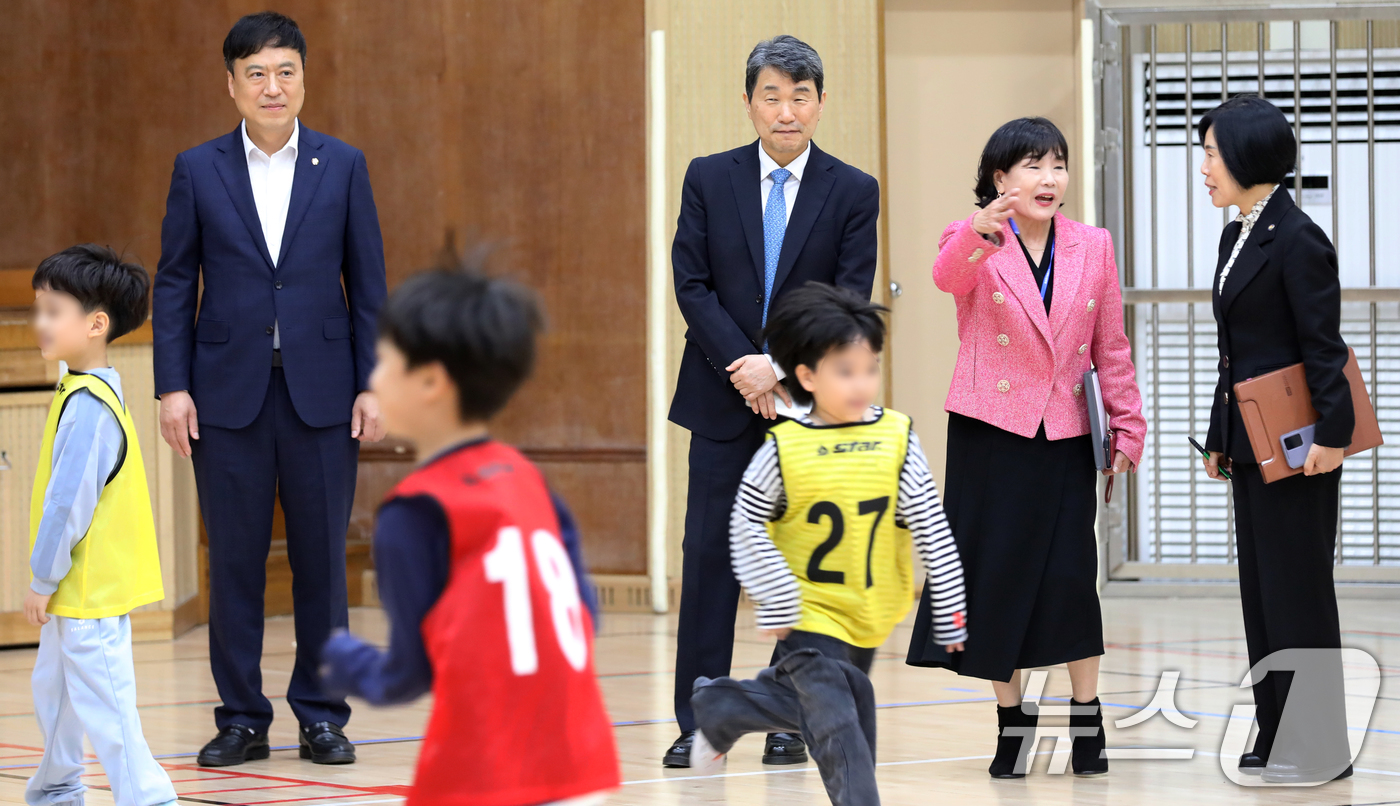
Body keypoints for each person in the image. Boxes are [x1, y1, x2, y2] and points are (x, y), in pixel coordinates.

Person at [152, 11, 388, 767]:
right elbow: (172, 284)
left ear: (303, 79)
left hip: (323, 395)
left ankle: (321, 715)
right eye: (255, 72)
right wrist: (172, 387)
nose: (272, 85)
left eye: (285, 70)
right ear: (231, 85)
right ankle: (241, 718)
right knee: (236, 563)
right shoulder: (197, 169)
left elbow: (370, 286)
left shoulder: (343, 165)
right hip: (225, 399)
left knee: (322, 561)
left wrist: (372, 383)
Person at [318, 258, 619, 806]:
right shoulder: (529, 480)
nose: (373, 375)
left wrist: (347, 663)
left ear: (431, 381)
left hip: (486, 770)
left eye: (383, 362)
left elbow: (405, 675)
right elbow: (585, 615)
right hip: (580, 758)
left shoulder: (413, 512)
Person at [905, 117, 1145, 779]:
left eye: (1058, 165)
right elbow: (945, 279)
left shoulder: (1092, 245)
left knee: (1071, 578)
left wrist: (1129, 427)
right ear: (999, 178)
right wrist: (980, 231)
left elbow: (1111, 347)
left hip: (1065, 432)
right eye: (1033, 165)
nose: (1049, 178)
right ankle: (1012, 726)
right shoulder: (973, 239)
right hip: (990, 433)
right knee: (995, 577)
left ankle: (1088, 721)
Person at [666, 33, 880, 768]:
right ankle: (698, 722)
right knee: (709, 558)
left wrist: (781, 369)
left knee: (806, 566)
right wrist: (743, 364)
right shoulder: (708, 177)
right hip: (723, 402)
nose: (786, 111)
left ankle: (798, 719)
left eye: (801, 96)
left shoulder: (853, 190)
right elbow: (690, 282)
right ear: (751, 101)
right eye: (772, 95)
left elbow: (847, 295)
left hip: (809, 411)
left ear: (820, 103)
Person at [688, 282, 967, 806]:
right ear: (807, 376)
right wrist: (775, 595)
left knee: (835, 704)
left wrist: (949, 606)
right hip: (806, 615)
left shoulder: (898, 437)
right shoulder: (784, 447)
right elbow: (746, 522)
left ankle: (723, 708)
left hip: (867, 611)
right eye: (845, 371)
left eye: (870, 368)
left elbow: (931, 522)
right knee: (841, 726)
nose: (862, 382)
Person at [1197, 95, 1354, 784]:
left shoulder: (1299, 238)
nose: (1203, 168)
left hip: (1302, 445)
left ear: (1246, 156)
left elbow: (1323, 349)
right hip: (1251, 439)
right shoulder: (1237, 236)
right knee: (1262, 591)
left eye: (1210, 153)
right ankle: (1275, 727)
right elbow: (1238, 351)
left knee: (1299, 592)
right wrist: (1217, 435)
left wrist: (1334, 436)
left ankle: (1319, 747)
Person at [23, 245, 177, 806]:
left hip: (90, 592)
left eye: (52, 310)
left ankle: (149, 797)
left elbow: (68, 508)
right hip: (75, 595)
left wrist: (42, 578)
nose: (39, 321)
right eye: (37, 307)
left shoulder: (89, 405)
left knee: (108, 708)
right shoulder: (79, 389)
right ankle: (57, 790)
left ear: (96, 324)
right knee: (57, 700)